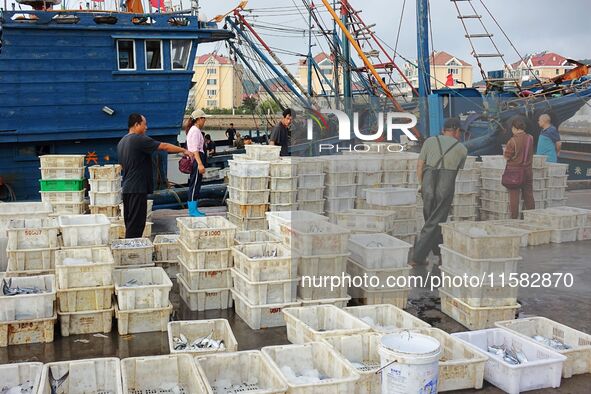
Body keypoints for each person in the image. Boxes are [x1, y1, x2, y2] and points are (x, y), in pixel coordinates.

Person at [118, 113, 193, 238]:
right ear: (136, 125)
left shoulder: (122, 141)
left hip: (127, 188)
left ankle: (129, 246)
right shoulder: (138, 138)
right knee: (137, 224)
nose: (146, 127)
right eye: (144, 124)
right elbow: (164, 146)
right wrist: (184, 150)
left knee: (130, 222)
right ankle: (132, 250)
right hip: (137, 188)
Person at [412, 117, 468, 266]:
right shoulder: (462, 149)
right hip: (445, 187)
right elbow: (457, 170)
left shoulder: (430, 141)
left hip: (427, 186)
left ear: (444, 130)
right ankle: (417, 256)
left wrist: (421, 184)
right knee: (435, 221)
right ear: (456, 131)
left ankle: (440, 252)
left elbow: (419, 165)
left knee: (431, 220)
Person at [504, 116, 535, 219]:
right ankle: (531, 216)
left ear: (514, 128)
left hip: (515, 172)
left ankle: (514, 218)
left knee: (514, 195)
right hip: (528, 170)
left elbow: (507, 157)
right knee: (528, 195)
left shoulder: (512, 141)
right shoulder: (530, 138)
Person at [186, 109, 209, 217]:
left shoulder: (195, 130)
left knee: (196, 184)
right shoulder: (195, 131)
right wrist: (200, 164)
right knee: (194, 185)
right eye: (204, 118)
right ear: (199, 119)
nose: (205, 120)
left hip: (197, 158)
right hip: (197, 159)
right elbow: (195, 149)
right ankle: (192, 210)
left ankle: (194, 208)